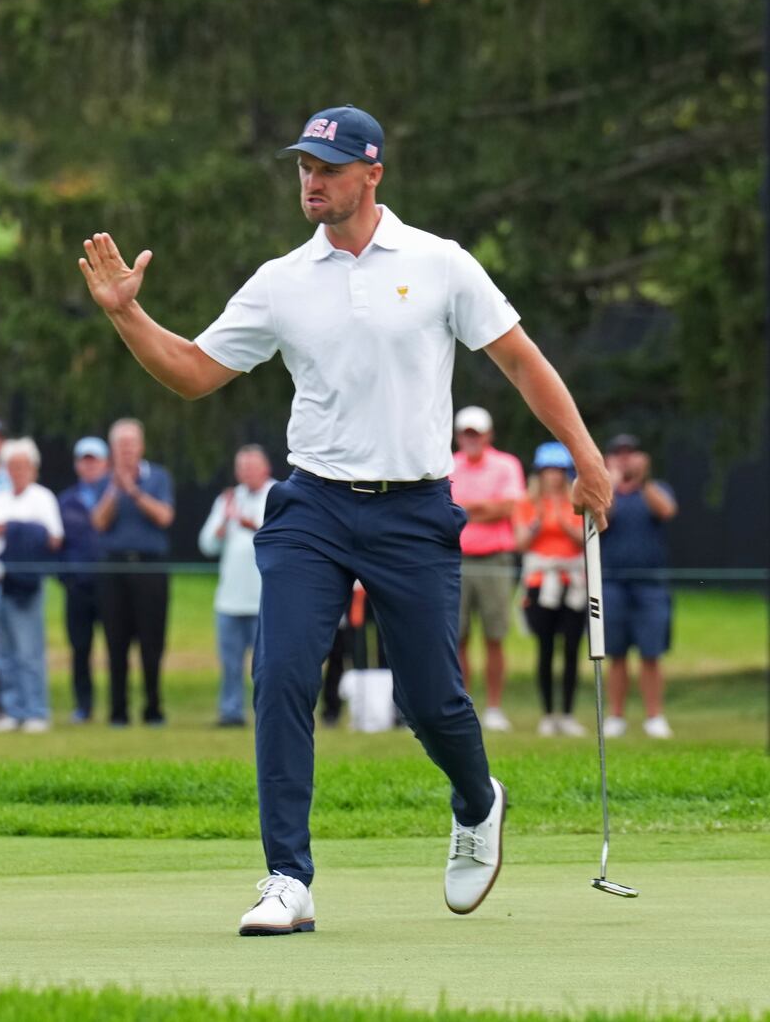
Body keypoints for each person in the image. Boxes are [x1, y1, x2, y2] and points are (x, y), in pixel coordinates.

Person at [78, 103, 611, 934]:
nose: (312, 181)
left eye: (328, 168)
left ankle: (478, 799)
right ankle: (287, 875)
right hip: (313, 505)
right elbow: (190, 372)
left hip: (414, 509)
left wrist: (585, 457)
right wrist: (125, 312)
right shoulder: (281, 279)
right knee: (282, 673)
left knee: (430, 701)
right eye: (303, 167)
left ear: (373, 174)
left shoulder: (440, 263)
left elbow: (518, 359)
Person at [90, 418, 175, 726]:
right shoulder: (103, 481)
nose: (126, 450)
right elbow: (99, 523)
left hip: (149, 567)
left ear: (141, 446)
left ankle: (153, 708)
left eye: (131, 444)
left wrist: (135, 492)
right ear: (113, 449)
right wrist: (116, 489)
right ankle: (118, 711)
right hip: (113, 568)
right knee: (115, 641)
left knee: (152, 641)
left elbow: (165, 517)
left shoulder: (159, 477)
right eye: (120, 445)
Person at [0, 438, 63, 733]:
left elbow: (54, 539)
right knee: (4, 652)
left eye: (23, 465)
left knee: (29, 651)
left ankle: (36, 710)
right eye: (12, 466)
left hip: (26, 586)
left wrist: (15, 531)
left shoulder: (43, 498)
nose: (17, 471)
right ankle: (11, 710)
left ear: (33, 468)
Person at [449, 406, 526, 731]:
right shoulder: (447, 464)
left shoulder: (506, 464)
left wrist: (467, 508)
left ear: (488, 435)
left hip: (495, 558)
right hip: (456, 558)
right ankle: (466, 704)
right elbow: (446, 509)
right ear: (458, 436)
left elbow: (509, 506)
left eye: (476, 433)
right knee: (459, 636)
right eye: (466, 433)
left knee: (495, 635)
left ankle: (494, 707)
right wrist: (482, 508)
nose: (471, 439)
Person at [599, 434, 678, 739]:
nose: (624, 458)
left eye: (630, 453)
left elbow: (666, 511)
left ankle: (654, 716)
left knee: (651, 653)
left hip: (651, 584)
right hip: (612, 582)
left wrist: (642, 481)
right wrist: (613, 481)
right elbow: (604, 516)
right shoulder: (605, 492)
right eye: (618, 453)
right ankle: (616, 716)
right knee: (616, 654)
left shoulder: (655, 489)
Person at [198, 444, 275, 728]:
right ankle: (231, 712)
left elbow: (281, 538)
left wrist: (251, 524)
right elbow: (206, 545)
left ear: (265, 469)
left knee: (266, 665)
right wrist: (222, 526)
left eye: (251, 467)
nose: (246, 473)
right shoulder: (228, 499)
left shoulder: (277, 496)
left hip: (262, 600)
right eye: (241, 468)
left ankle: (266, 713)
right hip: (229, 600)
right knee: (230, 664)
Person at [513, 442, 586, 737]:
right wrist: (539, 523)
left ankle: (567, 714)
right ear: (539, 473)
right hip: (540, 583)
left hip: (572, 582)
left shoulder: (577, 501)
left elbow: (584, 540)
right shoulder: (526, 503)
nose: (553, 476)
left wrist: (562, 520)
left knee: (571, 649)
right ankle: (547, 714)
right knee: (544, 649)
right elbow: (520, 544)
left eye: (558, 470)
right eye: (547, 470)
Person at [56, 436, 109, 723]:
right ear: (78, 465)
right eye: (85, 460)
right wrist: (66, 577)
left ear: (105, 464)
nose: (90, 466)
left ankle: (117, 707)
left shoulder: (115, 495)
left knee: (116, 647)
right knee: (80, 648)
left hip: (111, 585)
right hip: (78, 585)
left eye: (95, 460)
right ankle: (84, 706)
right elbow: (58, 543)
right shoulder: (66, 501)